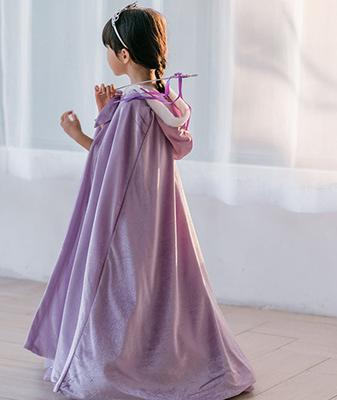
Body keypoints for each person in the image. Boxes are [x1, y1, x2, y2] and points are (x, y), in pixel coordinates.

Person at [24, 3, 256, 399]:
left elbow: (111, 164)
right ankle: (169, 355)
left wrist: (78, 133)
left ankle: (121, 361)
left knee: (122, 285)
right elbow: (135, 156)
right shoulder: (159, 100)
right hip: (159, 211)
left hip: (127, 217)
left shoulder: (133, 108)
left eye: (108, 49)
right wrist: (106, 114)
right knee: (160, 283)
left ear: (125, 54)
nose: (107, 56)